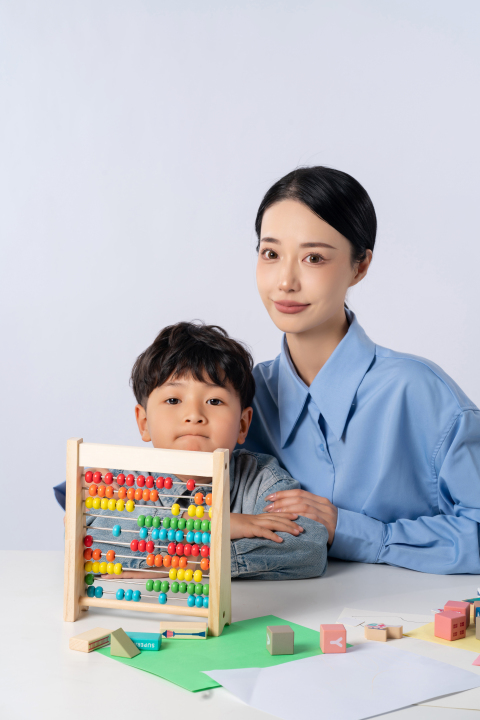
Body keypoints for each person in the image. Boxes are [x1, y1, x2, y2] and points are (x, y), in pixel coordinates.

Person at [243, 165, 480, 575]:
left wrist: (353, 529)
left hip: (403, 633)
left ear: (360, 266)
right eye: (271, 253)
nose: (285, 281)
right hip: (266, 626)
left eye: (313, 257)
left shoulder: (422, 394)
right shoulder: (238, 398)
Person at [54, 322, 328, 580]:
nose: (194, 415)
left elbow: (309, 547)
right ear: (144, 422)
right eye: (173, 399)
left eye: (214, 400)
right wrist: (211, 526)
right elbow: (87, 536)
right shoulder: (117, 484)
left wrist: (197, 565)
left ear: (243, 424)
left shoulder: (261, 480)